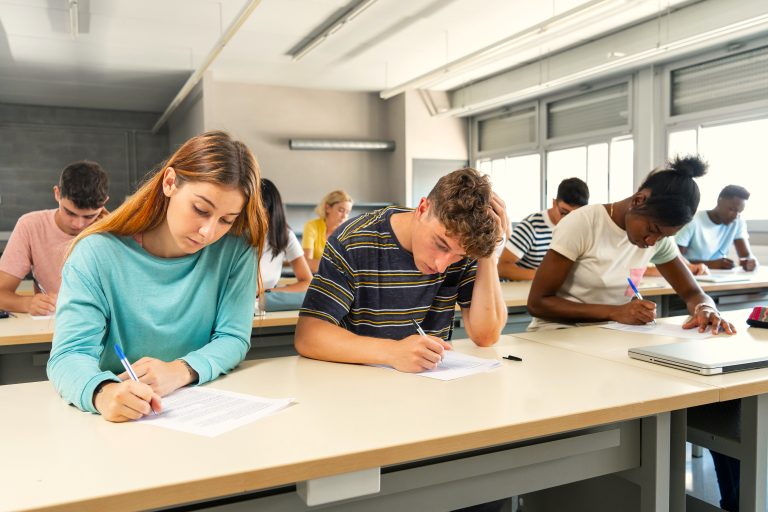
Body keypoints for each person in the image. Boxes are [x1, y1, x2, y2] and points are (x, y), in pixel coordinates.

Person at [47, 131, 267, 422]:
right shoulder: (95, 253)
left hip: (202, 410)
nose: (209, 232)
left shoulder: (236, 249)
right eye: (200, 209)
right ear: (170, 182)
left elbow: (233, 337)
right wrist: (103, 392)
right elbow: (69, 355)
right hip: (125, 419)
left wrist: (180, 370)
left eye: (227, 220)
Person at [295, 167, 509, 373]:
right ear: (422, 209)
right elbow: (309, 335)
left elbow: (485, 335)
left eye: (458, 256)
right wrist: (393, 352)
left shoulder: (466, 243)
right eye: (440, 245)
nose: (441, 265)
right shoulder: (353, 240)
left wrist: (489, 253)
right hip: (360, 385)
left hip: (431, 385)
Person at [527, 155, 735, 335]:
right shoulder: (584, 223)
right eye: (652, 230)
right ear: (638, 200)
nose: (652, 242)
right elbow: (538, 302)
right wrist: (615, 311)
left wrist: (705, 308)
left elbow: (692, 293)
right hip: (559, 333)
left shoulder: (658, 239)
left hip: (613, 333)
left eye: (662, 236)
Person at [0, 160, 109, 315]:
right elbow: (1, 293)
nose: (78, 224)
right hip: (52, 327)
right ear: (57, 193)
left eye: (89, 216)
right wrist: (27, 303)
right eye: (70, 212)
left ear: (104, 203)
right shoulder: (30, 225)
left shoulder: (112, 232)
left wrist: (115, 236)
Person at [498, 177, 588, 281]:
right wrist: (546, 275)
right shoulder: (531, 226)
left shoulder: (579, 227)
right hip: (527, 290)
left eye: (575, 215)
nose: (568, 219)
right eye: (564, 212)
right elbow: (502, 268)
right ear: (554, 203)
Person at [676, 184, 757, 271]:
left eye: (739, 212)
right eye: (732, 209)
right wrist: (711, 264)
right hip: (692, 273)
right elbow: (674, 258)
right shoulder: (693, 221)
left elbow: (746, 255)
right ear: (719, 201)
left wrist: (750, 262)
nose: (735, 216)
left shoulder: (737, 223)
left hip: (719, 275)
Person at [259, 178, 312, 292]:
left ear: (271, 211)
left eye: (258, 212)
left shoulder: (284, 234)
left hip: (264, 303)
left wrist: (266, 293)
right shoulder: (235, 233)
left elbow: (307, 281)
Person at [302, 190, 353, 272]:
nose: (344, 216)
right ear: (327, 208)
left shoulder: (348, 232)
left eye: (347, 212)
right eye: (341, 210)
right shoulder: (311, 226)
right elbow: (306, 263)